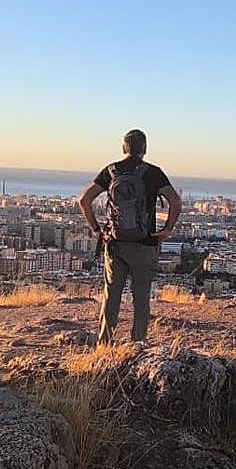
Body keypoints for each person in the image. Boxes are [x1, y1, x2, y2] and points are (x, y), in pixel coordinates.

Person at [78, 129, 181, 345]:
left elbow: (84, 200)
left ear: (123, 148)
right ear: (145, 149)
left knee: (111, 296)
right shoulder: (153, 173)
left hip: (115, 243)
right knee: (141, 298)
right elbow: (175, 201)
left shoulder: (111, 171)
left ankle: (104, 344)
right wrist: (166, 230)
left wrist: (97, 230)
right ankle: (137, 345)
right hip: (144, 244)